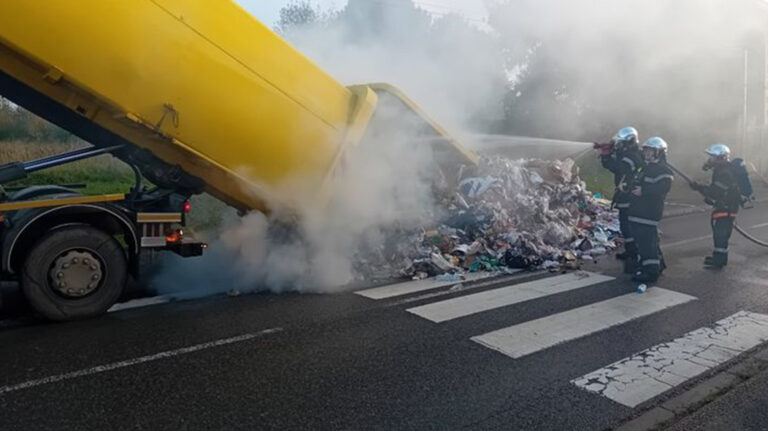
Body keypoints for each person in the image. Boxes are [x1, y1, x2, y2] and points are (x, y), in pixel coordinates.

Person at [628, 137, 674, 283]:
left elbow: (663, 187)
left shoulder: (663, 170)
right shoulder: (645, 168)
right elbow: (636, 182)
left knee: (647, 242)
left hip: (649, 212)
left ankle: (651, 272)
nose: (646, 153)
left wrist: (644, 190)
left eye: (650, 151)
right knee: (646, 242)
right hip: (637, 211)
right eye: (646, 150)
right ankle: (657, 264)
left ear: (659, 152)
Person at [690, 144, 742, 269]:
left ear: (721, 158)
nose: (710, 160)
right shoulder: (722, 170)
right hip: (724, 206)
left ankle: (719, 261)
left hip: (727, 208)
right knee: (719, 234)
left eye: (712, 157)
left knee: (721, 234)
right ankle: (718, 257)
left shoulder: (725, 173)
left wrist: (699, 187)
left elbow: (715, 191)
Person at [599, 127, 644, 268]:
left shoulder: (630, 157)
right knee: (625, 224)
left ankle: (634, 252)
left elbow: (616, 167)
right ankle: (631, 250)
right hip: (627, 194)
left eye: (621, 143)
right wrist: (610, 150)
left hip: (629, 195)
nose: (619, 146)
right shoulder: (631, 153)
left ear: (628, 143)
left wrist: (606, 155)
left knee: (627, 225)